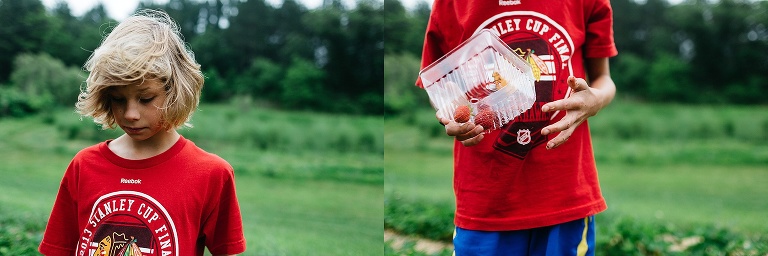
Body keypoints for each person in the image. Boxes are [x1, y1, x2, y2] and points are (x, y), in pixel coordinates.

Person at [416, 0, 618, 255]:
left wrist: (596, 99)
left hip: (564, 190)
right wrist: (452, 116)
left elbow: (604, 78)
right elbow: (439, 82)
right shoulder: (450, 4)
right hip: (486, 197)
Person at [38, 10, 246, 256]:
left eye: (146, 98)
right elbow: (58, 249)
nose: (130, 114)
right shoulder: (84, 165)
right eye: (118, 99)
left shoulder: (211, 174)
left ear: (175, 92)